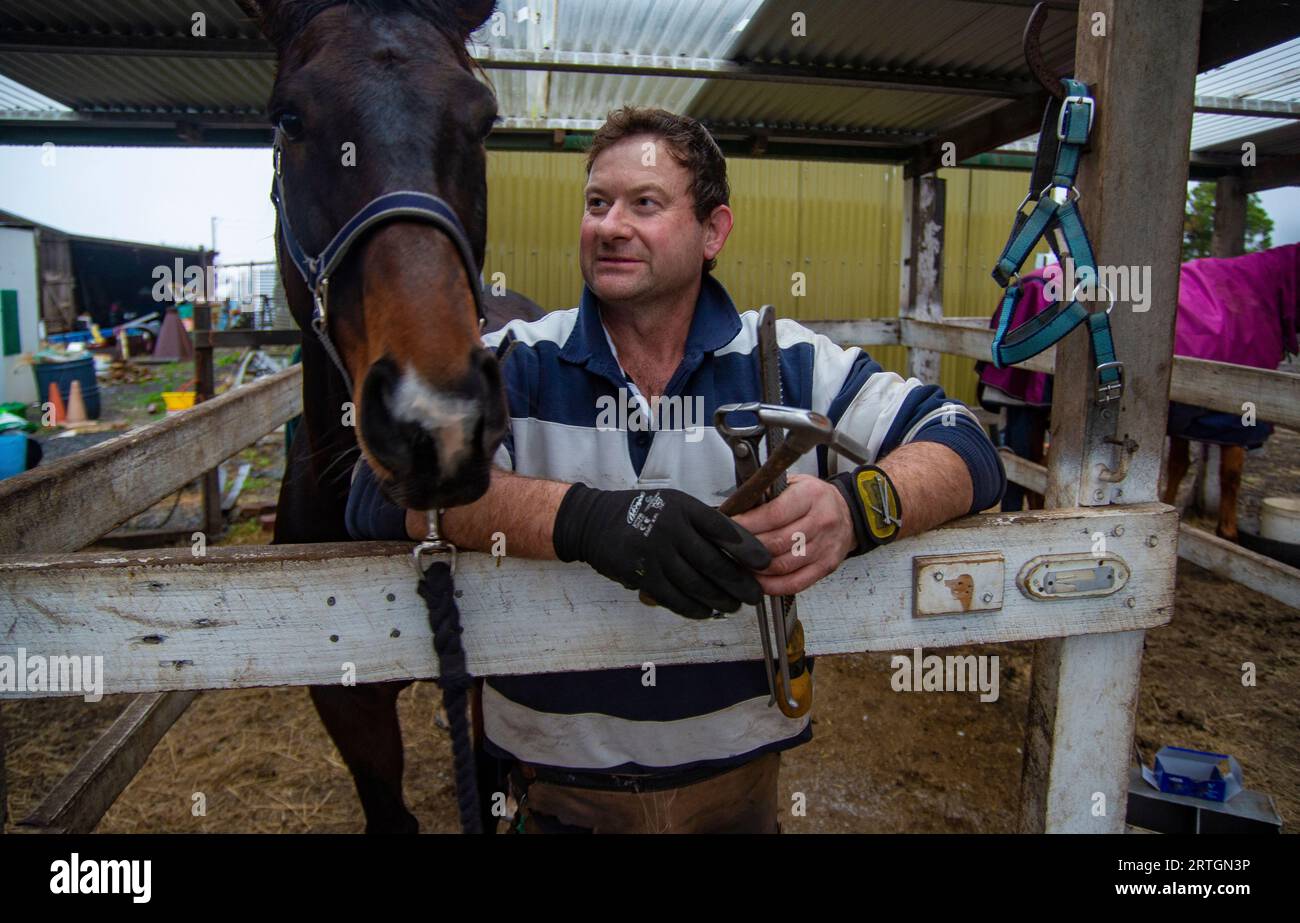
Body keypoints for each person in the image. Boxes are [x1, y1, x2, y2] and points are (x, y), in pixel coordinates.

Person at [346, 106, 1005, 833]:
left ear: (713, 231)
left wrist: (857, 510)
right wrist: (584, 519)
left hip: (737, 792)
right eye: (597, 203)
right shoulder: (519, 361)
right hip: (559, 796)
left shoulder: (787, 364)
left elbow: (964, 443)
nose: (609, 225)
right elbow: (377, 495)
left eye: (645, 203)